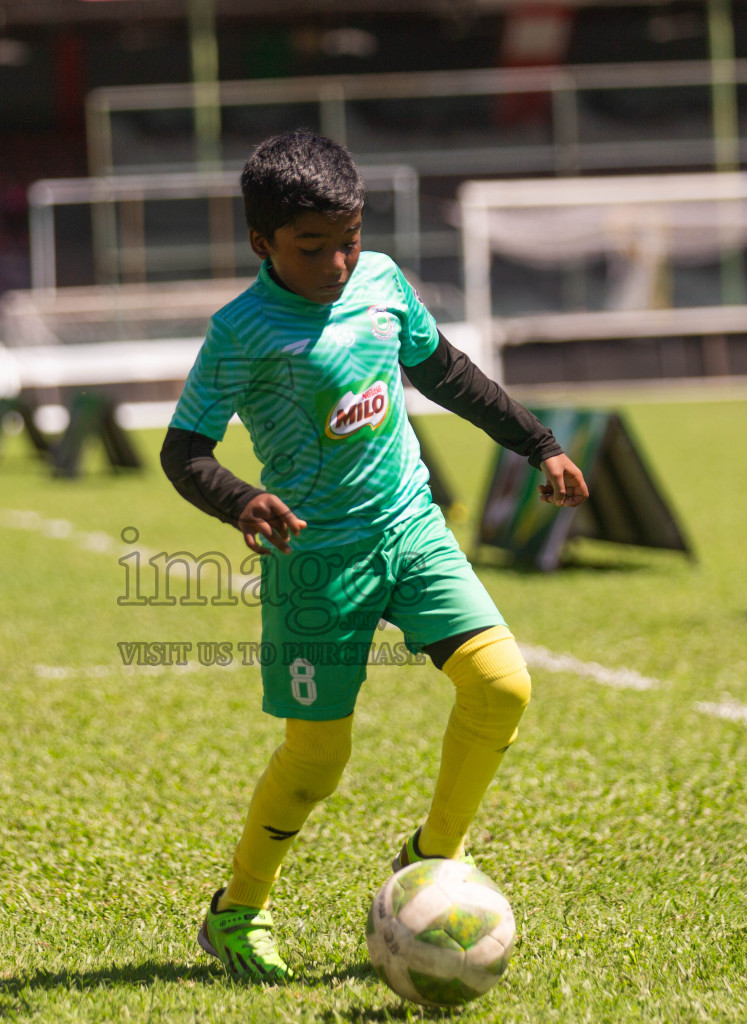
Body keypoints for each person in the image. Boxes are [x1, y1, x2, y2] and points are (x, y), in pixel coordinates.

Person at [160, 131, 589, 981]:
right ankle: (237, 910)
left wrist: (539, 444)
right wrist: (241, 499)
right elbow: (184, 451)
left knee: (502, 684)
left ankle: (430, 859)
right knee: (319, 761)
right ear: (263, 245)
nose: (339, 261)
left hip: (411, 528)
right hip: (318, 563)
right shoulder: (240, 333)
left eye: (349, 238)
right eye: (312, 247)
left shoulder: (385, 283)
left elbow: (450, 374)